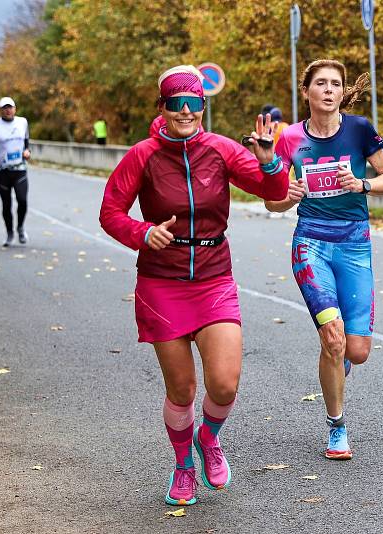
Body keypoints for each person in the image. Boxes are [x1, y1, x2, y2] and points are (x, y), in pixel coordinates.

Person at [99, 65, 288, 506]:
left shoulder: (221, 150)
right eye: (177, 103)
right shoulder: (142, 155)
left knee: (224, 384)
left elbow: (272, 191)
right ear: (162, 108)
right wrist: (143, 233)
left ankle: (209, 438)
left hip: (213, 277)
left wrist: (271, 161)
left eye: (194, 103)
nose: (186, 111)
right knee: (182, 389)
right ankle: (183, 464)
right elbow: (110, 212)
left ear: (203, 106)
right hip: (162, 283)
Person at [264, 59, 383, 461]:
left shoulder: (359, 130)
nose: (328, 90)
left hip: (355, 244)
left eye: (335, 84)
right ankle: (337, 427)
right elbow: (272, 202)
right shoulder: (288, 138)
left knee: (356, 351)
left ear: (342, 92)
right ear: (306, 92)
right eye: (319, 83)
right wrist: (287, 196)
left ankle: (336, 366)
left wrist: (361, 184)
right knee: (334, 339)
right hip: (311, 244)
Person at [0, 97, 31, 247]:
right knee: (6, 204)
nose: (8, 110)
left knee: (22, 200)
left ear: (15, 109)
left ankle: (20, 228)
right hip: (3, 171)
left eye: (10, 107)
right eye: (5, 108)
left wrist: (27, 150)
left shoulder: (22, 122)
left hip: (20, 169)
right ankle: (10, 232)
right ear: (0, 110)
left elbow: (26, 140)